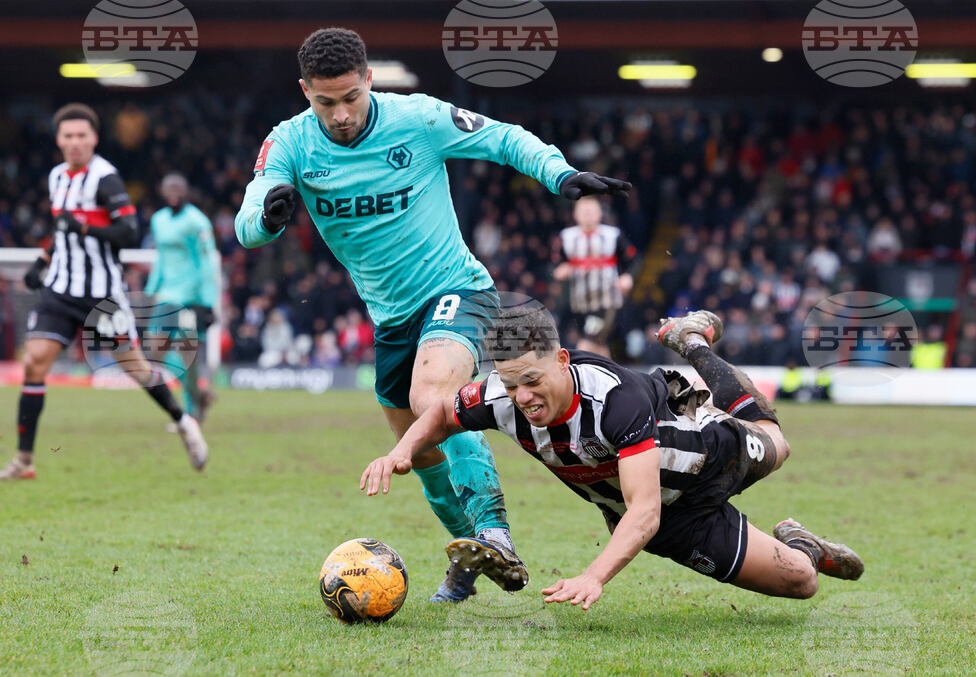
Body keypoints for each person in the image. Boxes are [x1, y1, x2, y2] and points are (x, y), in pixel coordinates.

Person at [235, 28, 630, 601]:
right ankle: (469, 558)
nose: (341, 114)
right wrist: (266, 220)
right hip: (391, 318)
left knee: (433, 399)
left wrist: (559, 174)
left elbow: (501, 137)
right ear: (305, 92)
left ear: (370, 80)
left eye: (351, 97)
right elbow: (251, 216)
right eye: (326, 102)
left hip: (456, 289)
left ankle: (495, 531)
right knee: (421, 452)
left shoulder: (416, 118)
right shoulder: (290, 142)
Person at [361, 305, 863, 608]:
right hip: (672, 521)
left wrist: (593, 576)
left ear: (562, 361)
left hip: (706, 454)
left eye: (532, 380)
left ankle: (691, 341)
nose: (523, 397)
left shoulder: (614, 399)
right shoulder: (501, 395)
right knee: (802, 582)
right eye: (512, 384)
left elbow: (643, 509)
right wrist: (400, 452)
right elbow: (441, 413)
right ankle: (799, 542)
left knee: (777, 441)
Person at [1, 104, 207, 481]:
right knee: (33, 362)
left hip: (102, 296)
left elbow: (128, 233)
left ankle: (183, 421)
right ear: (59, 140)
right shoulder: (57, 177)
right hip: (60, 289)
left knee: (136, 368)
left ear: (94, 138)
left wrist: (83, 228)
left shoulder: (105, 179)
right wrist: (43, 261)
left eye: (82, 135)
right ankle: (24, 460)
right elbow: (62, 228)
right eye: (68, 136)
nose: (75, 142)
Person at [145, 173, 220, 423]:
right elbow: (161, 259)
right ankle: (199, 395)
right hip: (166, 295)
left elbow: (207, 262)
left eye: (178, 187)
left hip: (191, 297)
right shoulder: (158, 220)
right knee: (154, 353)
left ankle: (191, 411)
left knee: (188, 355)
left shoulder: (197, 222)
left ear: (186, 191)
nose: (174, 192)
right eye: (170, 187)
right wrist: (150, 292)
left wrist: (208, 301)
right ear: (162, 191)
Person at [553, 196, 639, 357]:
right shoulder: (567, 237)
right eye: (583, 211)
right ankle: (609, 372)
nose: (587, 215)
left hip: (606, 301)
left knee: (586, 343)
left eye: (591, 211)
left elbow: (632, 259)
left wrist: (627, 276)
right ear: (575, 214)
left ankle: (582, 368)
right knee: (599, 346)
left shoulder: (613, 235)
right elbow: (558, 263)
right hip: (579, 303)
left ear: (600, 213)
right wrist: (560, 271)